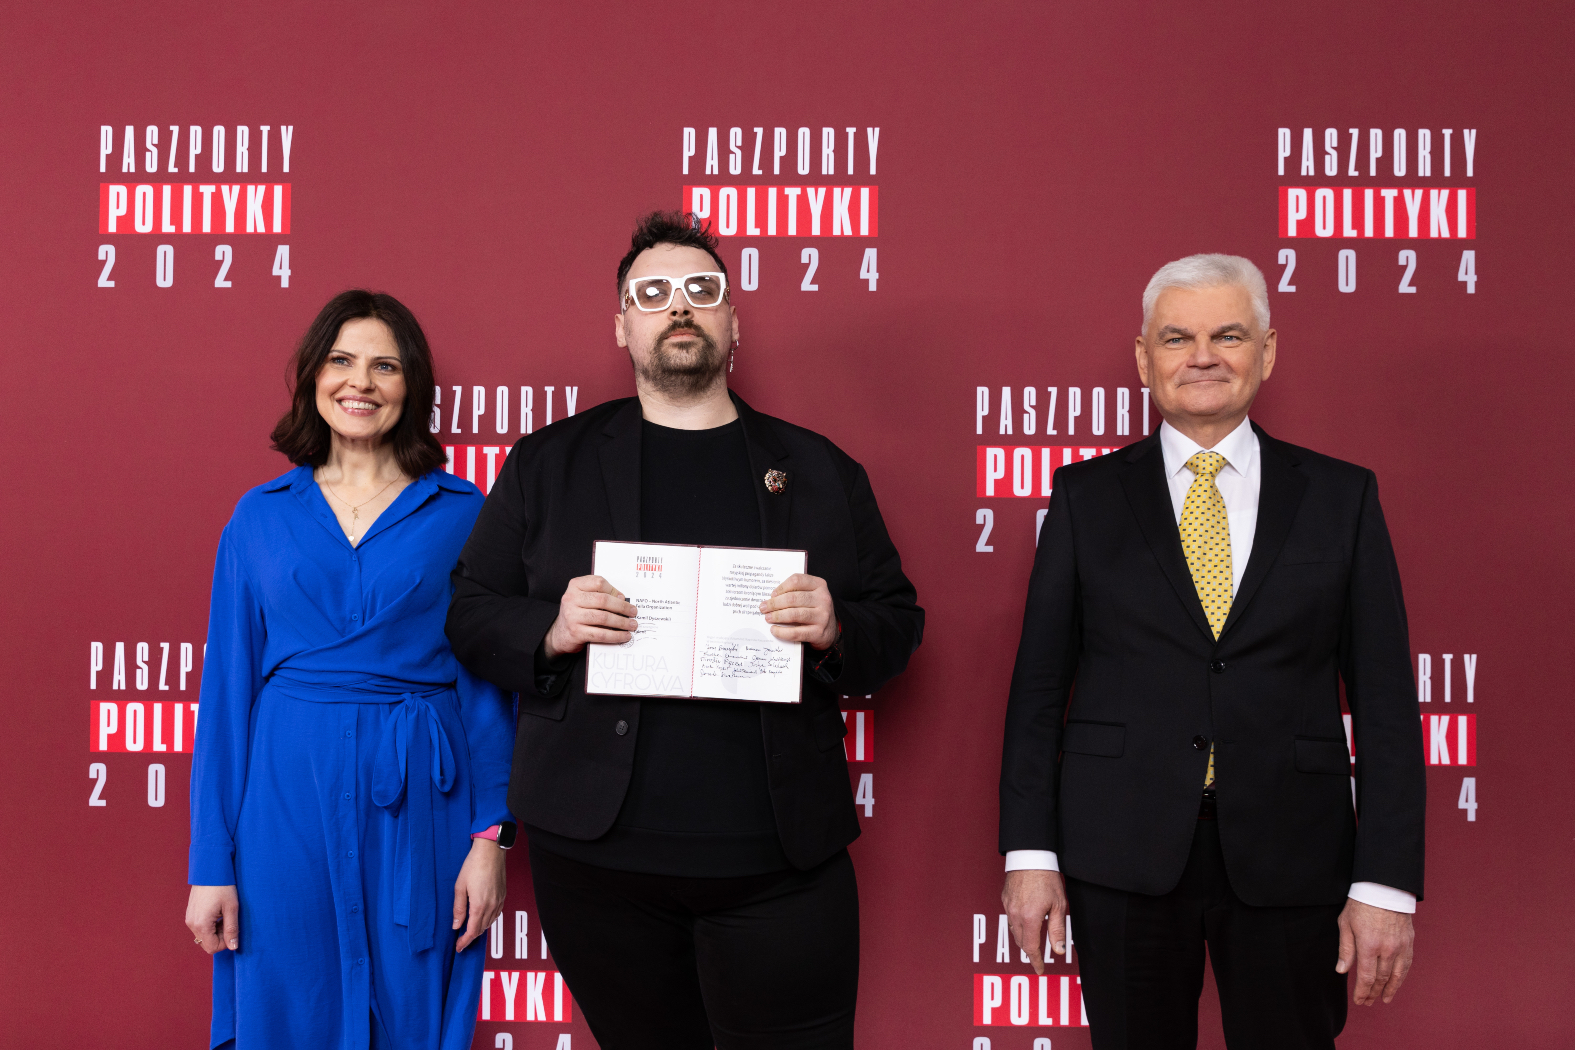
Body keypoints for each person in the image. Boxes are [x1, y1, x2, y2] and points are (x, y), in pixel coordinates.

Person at [445, 211, 924, 1050]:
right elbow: (470, 612)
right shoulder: (548, 463)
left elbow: (897, 624)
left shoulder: (819, 468)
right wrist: (551, 629)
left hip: (778, 862)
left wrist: (836, 626)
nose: (678, 306)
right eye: (653, 293)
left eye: (702, 290)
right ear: (621, 325)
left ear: (733, 322)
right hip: (597, 866)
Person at [998, 254, 1426, 1049]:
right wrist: (1029, 854)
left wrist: (1385, 885)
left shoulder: (1341, 497)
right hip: (1119, 851)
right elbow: (1037, 692)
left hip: (1293, 855)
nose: (1202, 356)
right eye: (1177, 338)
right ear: (1143, 358)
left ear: (1266, 350)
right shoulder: (1084, 497)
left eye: (1227, 335)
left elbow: (1387, 707)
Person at [184, 290, 516, 1050]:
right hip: (284, 806)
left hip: (424, 806)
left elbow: (488, 690)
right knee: (290, 1002)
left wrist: (490, 839)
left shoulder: (464, 512)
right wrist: (211, 865)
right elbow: (227, 697)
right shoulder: (259, 515)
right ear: (312, 376)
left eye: (384, 366)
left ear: (412, 385)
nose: (359, 382)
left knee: (412, 1007)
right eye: (341, 360)